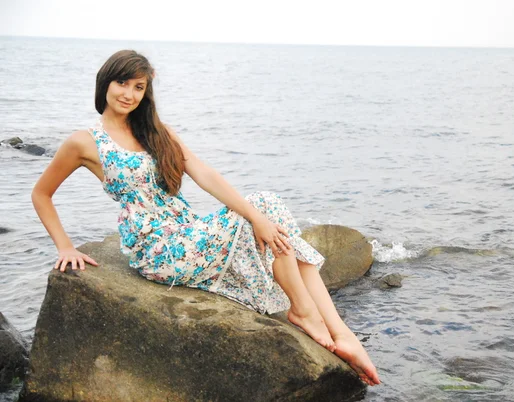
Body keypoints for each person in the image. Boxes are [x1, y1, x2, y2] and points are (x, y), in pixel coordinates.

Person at [31, 49, 380, 386]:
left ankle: (339, 332)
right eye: (123, 83)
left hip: (187, 229)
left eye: (139, 87)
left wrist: (254, 216)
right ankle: (307, 314)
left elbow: (206, 175)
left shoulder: (154, 131)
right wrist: (65, 247)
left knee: (266, 207)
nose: (130, 94)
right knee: (262, 211)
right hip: (156, 247)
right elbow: (41, 194)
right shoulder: (84, 142)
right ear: (105, 83)